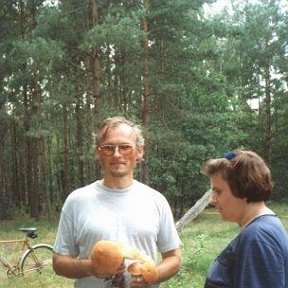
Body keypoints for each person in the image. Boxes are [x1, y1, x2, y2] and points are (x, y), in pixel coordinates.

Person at [52, 116, 182, 288]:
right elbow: (59, 261)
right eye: (108, 148)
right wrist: (91, 267)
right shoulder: (77, 201)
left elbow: (174, 257)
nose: (117, 154)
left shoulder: (155, 200)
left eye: (125, 147)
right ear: (98, 152)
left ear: (139, 151)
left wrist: (154, 275)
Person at [201, 149, 288, 288]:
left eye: (218, 191)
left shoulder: (259, 237)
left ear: (243, 186)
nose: (212, 200)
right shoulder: (261, 229)